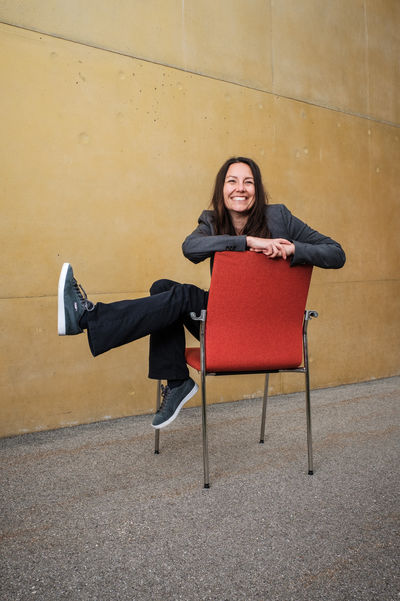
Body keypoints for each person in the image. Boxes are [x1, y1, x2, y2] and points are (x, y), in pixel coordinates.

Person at [58, 156, 345, 430]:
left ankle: (89, 318)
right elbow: (190, 248)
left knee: (180, 296)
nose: (240, 188)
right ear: (222, 189)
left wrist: (293, 248)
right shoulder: (211, 221)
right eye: (232, 181)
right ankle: (176, 381)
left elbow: (336, 253)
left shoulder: (279, 217)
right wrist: (247, 242)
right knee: (162, 289)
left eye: (248, 182)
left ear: (257, 189)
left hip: (265, 331)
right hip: (225, 327)